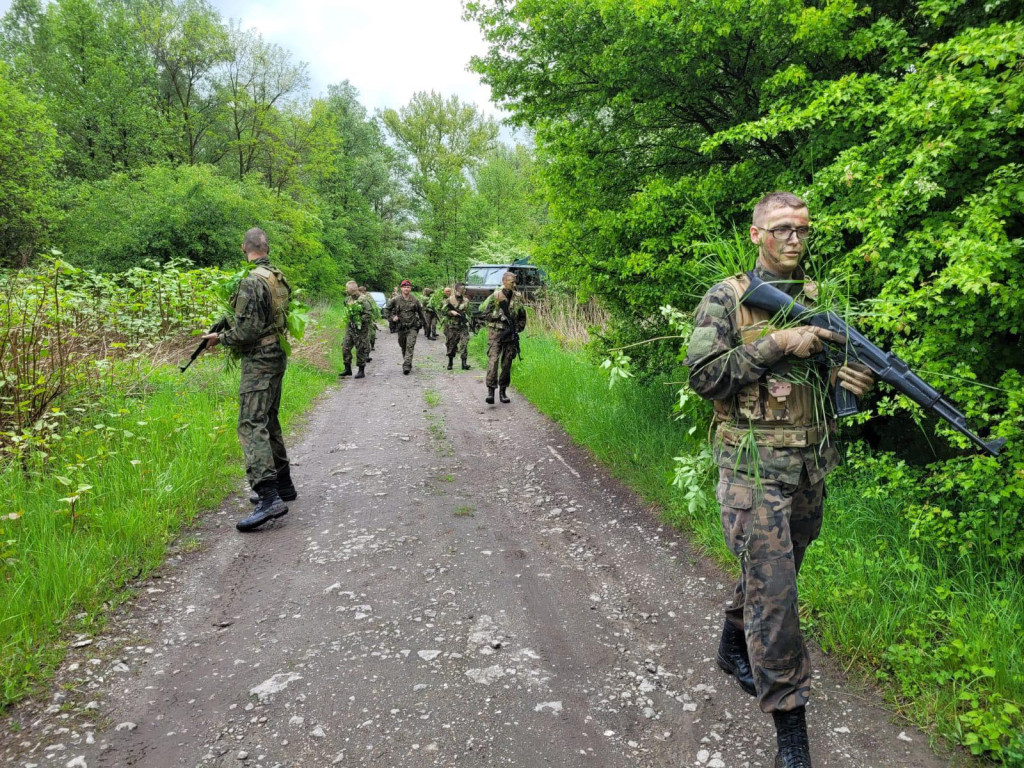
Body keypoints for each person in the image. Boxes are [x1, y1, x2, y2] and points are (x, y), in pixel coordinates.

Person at [683, 192, 874, 768]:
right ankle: (791, 730)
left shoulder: (821, 300)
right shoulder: (729, 298)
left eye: (802, 230)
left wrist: (852, 381)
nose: (794, 238)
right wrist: (774, 344)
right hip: (753, 471)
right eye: (782, 228)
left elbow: (830, 381)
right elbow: (704, 376)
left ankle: (730, 642)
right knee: (779, 595)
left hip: (810, 469)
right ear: (756, 234)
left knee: (776, 578)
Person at [203, 227, 296, 532]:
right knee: (268, 418)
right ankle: (283, 484)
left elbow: (246, 331)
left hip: (259, 359)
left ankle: (268, 495)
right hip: (277, 353)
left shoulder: (250, 281)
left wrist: (220, 339)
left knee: (250, 422)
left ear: (244, 247)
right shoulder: (278, 277)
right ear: (266, 247)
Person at [479, 271, 526, 404]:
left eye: (515, 282)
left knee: (506, 363)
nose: (514, 284)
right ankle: (491, 391)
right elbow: (486, 314)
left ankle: (503, 391)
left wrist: (516, 329)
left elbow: (522, 317)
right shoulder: (496, 296)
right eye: (512, 282)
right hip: (496, 334)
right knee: (493, 362)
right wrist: (500, 317)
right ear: (504, 281)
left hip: (510, 335)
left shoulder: (518, 297)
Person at [386, 279, 426, 374]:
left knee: (410, 346)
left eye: (408, 287)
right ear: (401, 288)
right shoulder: (395, 300)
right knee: (403, 346)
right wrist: (392, 317)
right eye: (404, 287)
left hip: (412, 327)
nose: (406, 289)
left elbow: (421, 313)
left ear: (410, 288)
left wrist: (423, 324)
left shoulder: (415, 300)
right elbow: (386, 310)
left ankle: (406, 365)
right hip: (401, 327)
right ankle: (407, 361)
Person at [340, 280, 374, 379]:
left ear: (351, 289)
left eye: (347, 288)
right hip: (350, 329)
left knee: (360, 349)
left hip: (361, 330)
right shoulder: (347, 300)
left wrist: (358, 320)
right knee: (345, 347)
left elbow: (368, 314)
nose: (346, 290)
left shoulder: (363, 300)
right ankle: (347, 368)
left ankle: (361, 370)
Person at [444, 282, 472, 371]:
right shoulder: (449, 300)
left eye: (464, 289)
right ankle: (450, 362)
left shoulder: (466, 300)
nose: (464, 290)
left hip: (463, 326)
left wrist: (468, 320)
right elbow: (443, 312)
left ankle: (464, 363)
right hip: (453, 326)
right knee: (452, 345)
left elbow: (468, 312)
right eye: (462, 289)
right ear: (456, 289)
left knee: (464, 344)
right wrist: (451, 312)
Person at [358, 285, 380, 353]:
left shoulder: (368, 297)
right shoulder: (358, 297)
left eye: (361, 291)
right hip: (361, 318)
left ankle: (372, 345)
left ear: (364, 291)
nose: (360, 292)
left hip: (370, 317)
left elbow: (373, 307)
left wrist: (374, 317)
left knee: (372, 333)